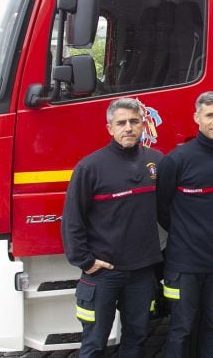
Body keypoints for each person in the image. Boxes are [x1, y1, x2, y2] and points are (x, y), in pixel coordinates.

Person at [61, 97, 163, 358]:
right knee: (94, 343)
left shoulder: (156, 162)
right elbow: (72, 219)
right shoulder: (90, 167)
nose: (128, 128)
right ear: (110, 128)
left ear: (143, 125)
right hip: (104, 273)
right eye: (121, 123)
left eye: (134, 122)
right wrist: (84, 261)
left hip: (141, 272)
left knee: (136, 340)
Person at [156, 91, 213, 357]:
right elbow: (163, 208)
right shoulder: (177, 160)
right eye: (209, 115)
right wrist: (188, 235)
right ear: (197, 118)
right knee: (181, 328)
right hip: (185, 264)